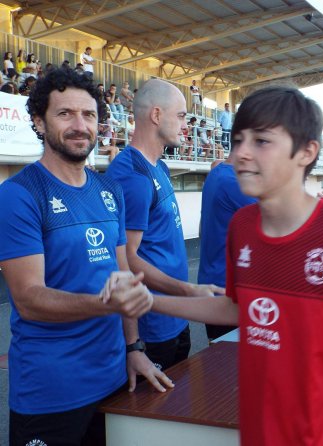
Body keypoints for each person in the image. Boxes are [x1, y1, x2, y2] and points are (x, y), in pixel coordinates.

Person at [151, 86, 323, 445]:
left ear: (306, 151)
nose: (241, 154)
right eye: (238, 140)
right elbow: (236, 308)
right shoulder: (242, 229)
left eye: (261, 141)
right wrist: (149, 301)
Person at [0, 67, 172, 446]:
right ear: (38, 122)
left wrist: (134, 348)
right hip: (51, 392)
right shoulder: (18, 195)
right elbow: (29, 299)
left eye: (89, 115)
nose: (80, 125)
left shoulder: (110, 190)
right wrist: (105, 303)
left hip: (114, 379)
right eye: (65, 114)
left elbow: (123, 274)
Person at [106, 78, 223, 371]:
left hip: (175, 318)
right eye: (181, 116)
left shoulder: (159, 165)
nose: (186, 125)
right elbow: (127, 259)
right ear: (156, 115)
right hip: (152, 326)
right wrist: (186, 290)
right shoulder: (132, 176)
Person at [198, 158, 256, 340]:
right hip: (229, 293)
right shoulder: (236, 183)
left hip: (216, 287)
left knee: (220, 360)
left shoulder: (217, 172)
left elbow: (201, 229)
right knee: (230, 364)